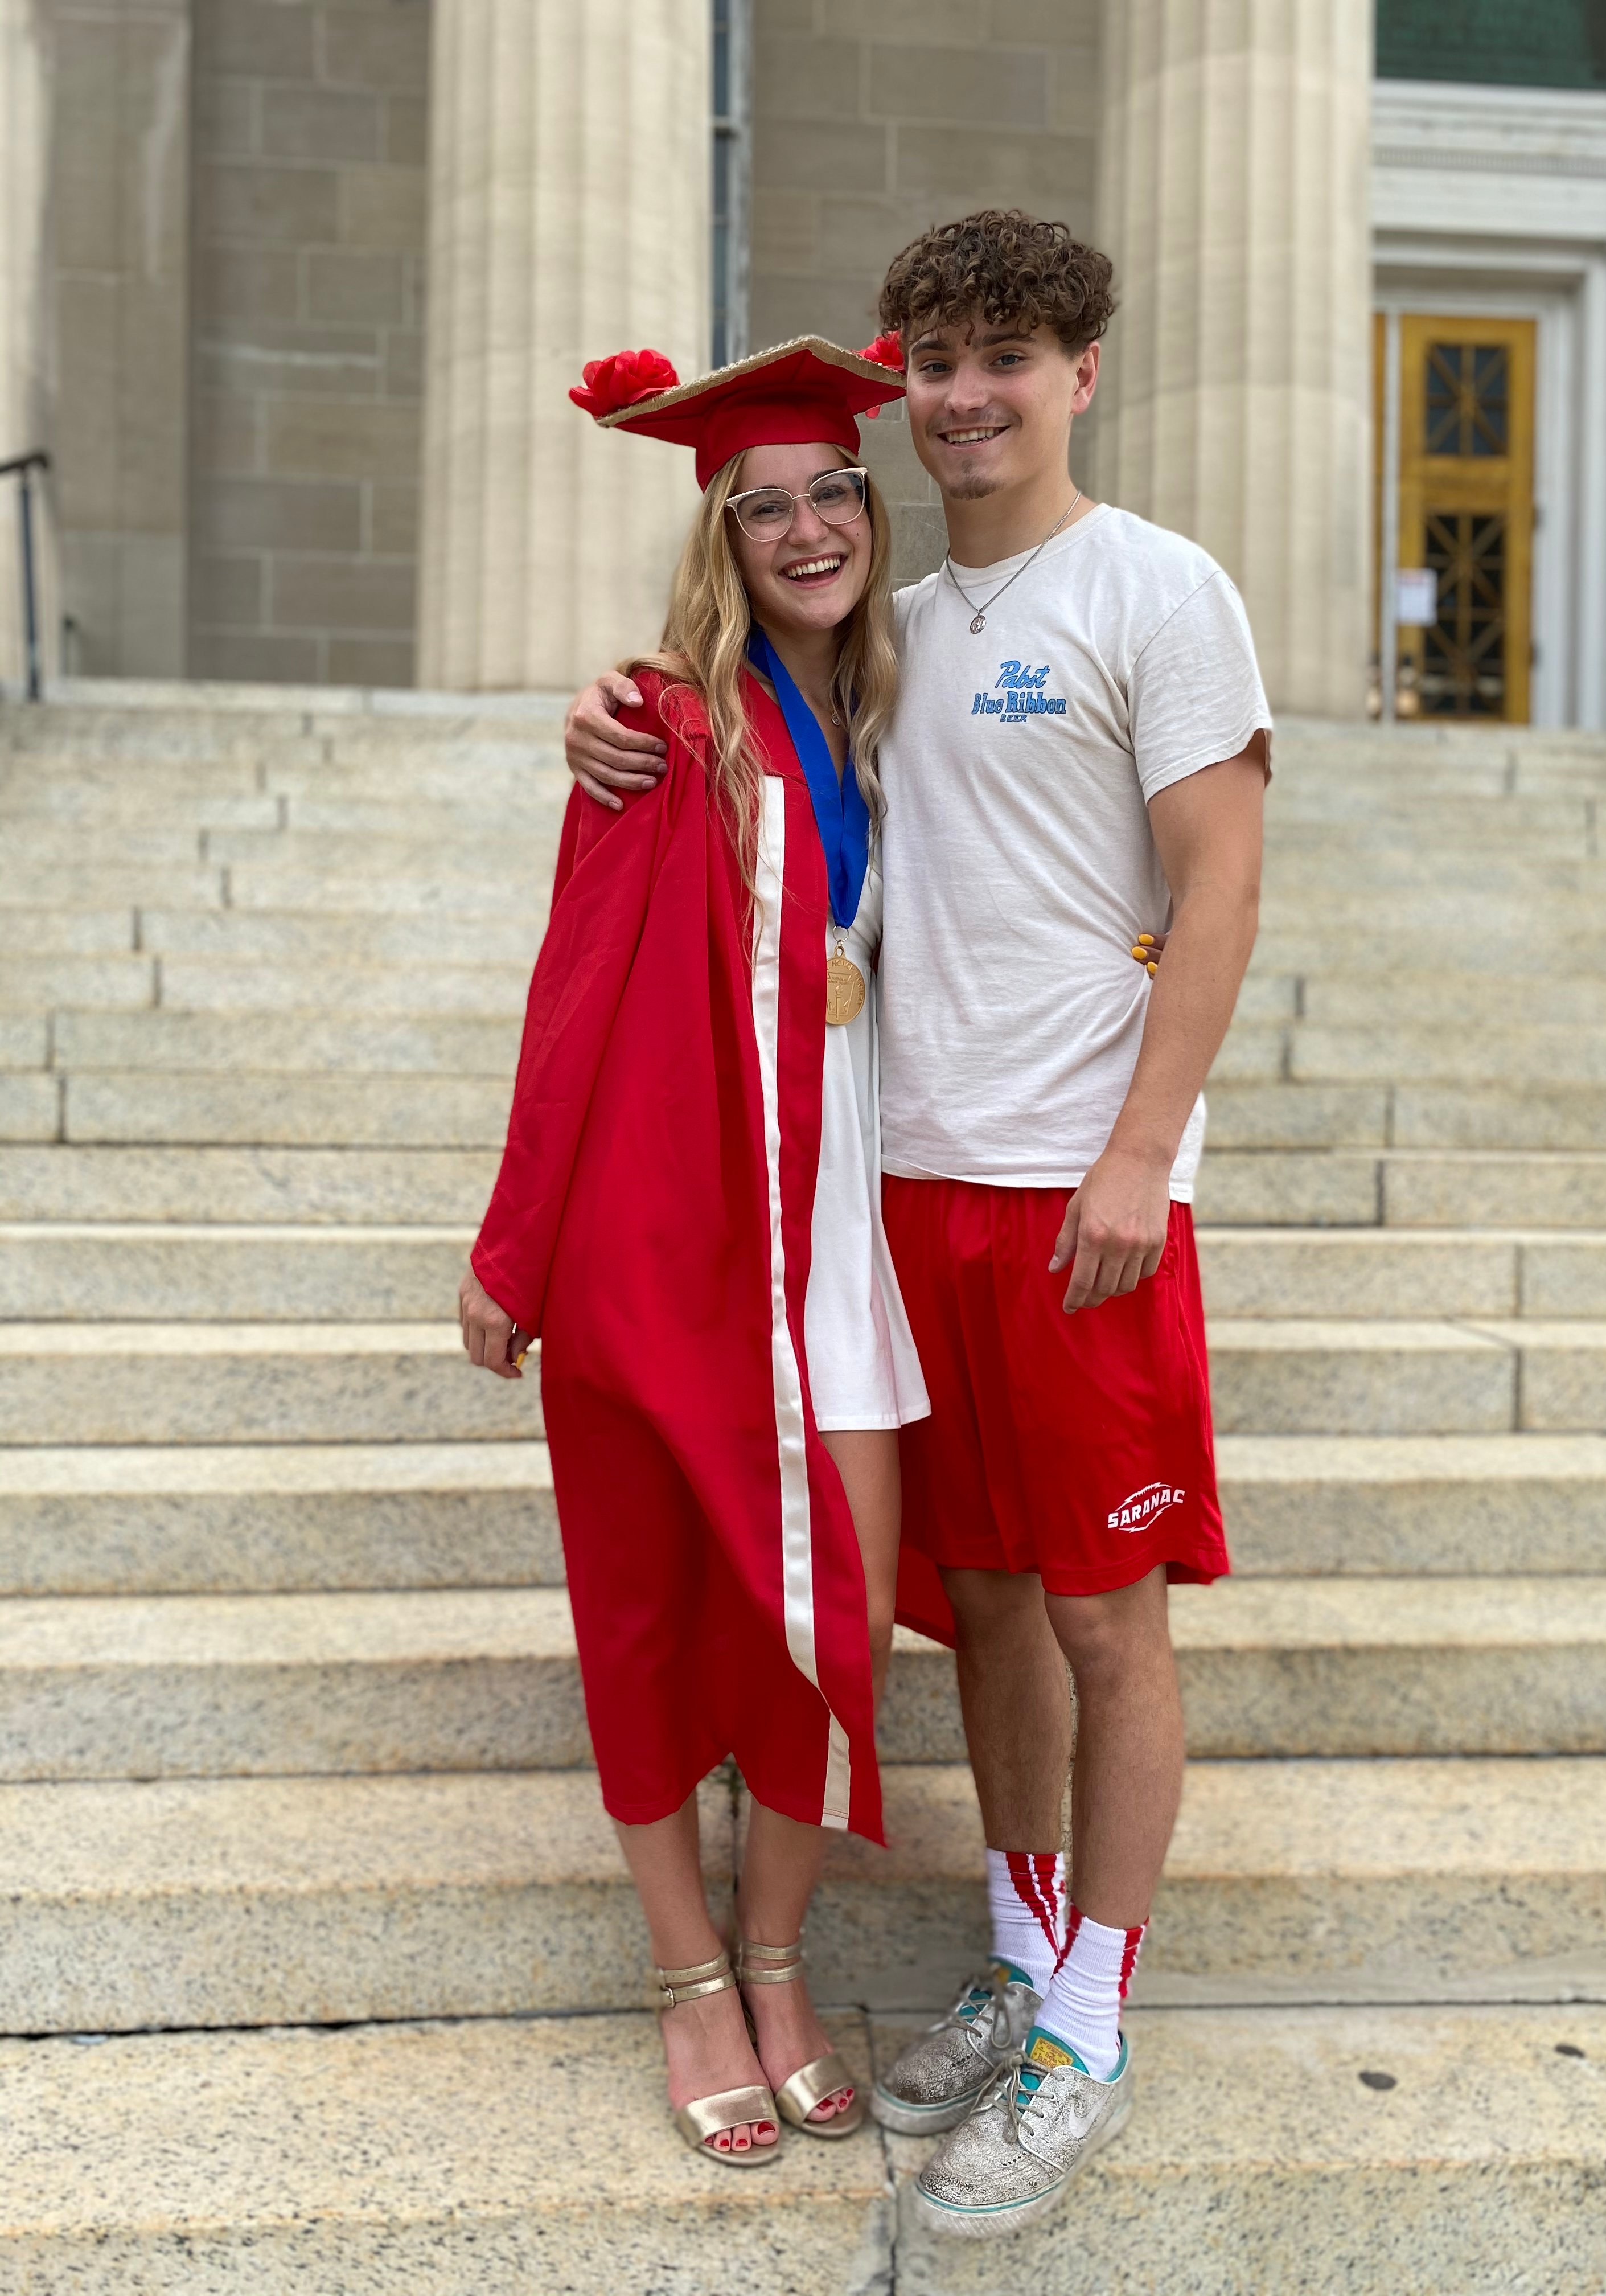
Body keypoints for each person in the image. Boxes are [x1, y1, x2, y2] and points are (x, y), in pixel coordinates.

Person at [566, 209, 1271, 2238]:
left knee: (1106, 1617)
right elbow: (759, 772)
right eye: (938, 363)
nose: (968, 397)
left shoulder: (1158, 589)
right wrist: (609, 718)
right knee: (981, 1601)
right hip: (903, 1196)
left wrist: (1140, 1150)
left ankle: (1092, 2027)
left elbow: (1220, 885)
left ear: (1081, 374)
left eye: (1008, 359)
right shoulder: (895, 629)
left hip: (1080, 1194)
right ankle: (1022, 1951)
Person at [458, 335, 929, 2168]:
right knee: (649, 1608)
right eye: (764, 507)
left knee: (832, 1626)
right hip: (674, 1236)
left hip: (845, 1238)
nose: (808, 530)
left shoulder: (894, 711)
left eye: (833, 493)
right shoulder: (661, 728)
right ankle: (688, 1976)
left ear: (870, 511)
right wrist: (517, 1243)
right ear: (719, 539)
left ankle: (779, 1956)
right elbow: (576, 987)